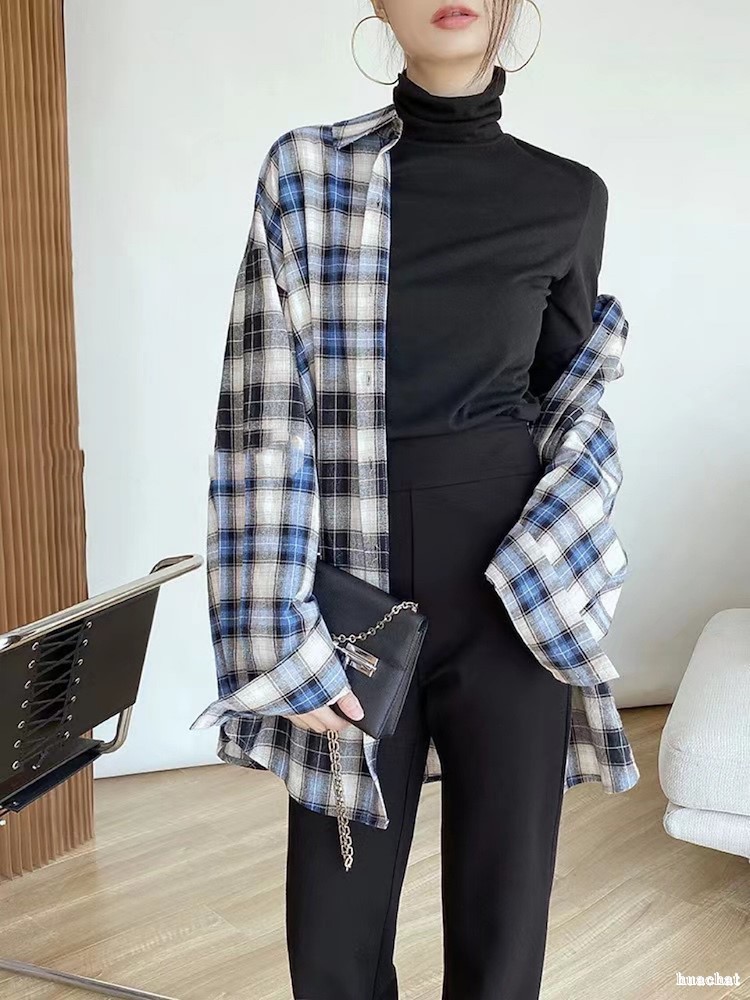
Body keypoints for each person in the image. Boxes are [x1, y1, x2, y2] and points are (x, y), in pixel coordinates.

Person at [191, 2, 625, 998]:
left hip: (513, 593)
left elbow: (569, 401)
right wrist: (281, 632)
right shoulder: (307, 174)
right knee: (333, 947)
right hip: (352, 597)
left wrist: (569, 560)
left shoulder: (568, 197)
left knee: (502, 938)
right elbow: (260, 412)